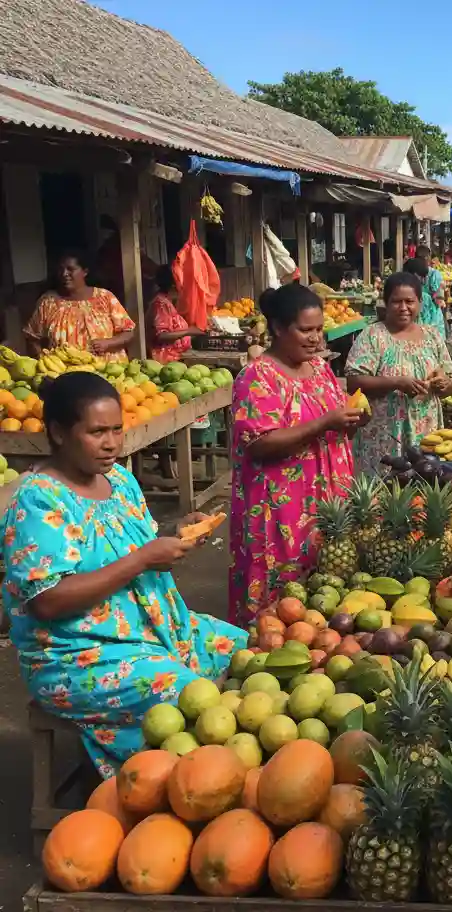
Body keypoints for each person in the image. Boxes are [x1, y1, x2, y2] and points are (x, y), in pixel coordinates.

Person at [1, 372, 246, 778]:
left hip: (153, 630)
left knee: (246, 652)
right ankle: (182, 788)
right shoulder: (38, 501)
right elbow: (46, 600)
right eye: (97, 432)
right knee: (196, 700)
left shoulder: (119, 480)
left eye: (117, 429)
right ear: (60, 433)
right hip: (76, 655)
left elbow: (138, 543)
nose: (112, 442)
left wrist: (178, 532)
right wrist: (143, 560)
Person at [231, 283, 365, 625]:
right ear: (277, 328)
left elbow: (337, 422)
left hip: (327, 499)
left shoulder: (320, 369)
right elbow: (259, 443)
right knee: (281, 599)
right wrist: (324, 423)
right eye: (305, 330)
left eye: (319, 329)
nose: (315, 339)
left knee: (325, 590)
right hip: (281, 505)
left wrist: (353, 419)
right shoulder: (257, 376)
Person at [347, 271, 452, 475]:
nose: (404, 307)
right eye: (396, 301)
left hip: (426, 434)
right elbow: (354, 382)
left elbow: (450, 381)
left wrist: (444, 384)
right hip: (384, 435)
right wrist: (396, 382)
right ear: (386, 303)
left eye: (410, 301)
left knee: (423, 490)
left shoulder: (432, 336)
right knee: (384, 494)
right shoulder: (373, 336)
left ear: (420, 303)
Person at [24, 250, 136, 359]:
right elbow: (31, 337)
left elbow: (128, 332)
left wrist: (108, 343)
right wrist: (43, 360)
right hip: (65, 373)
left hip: (109, 372)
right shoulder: (48, 303)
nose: (64, 274)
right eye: (61, 269)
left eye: (70, 269)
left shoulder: (105, 297)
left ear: (85, 271)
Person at [146, 265, 205, 363]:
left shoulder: (168, 301)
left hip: (177, 358)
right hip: (165, 361)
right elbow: (161, 336)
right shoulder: (161, 304)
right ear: (175, 286)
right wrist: (188, 331)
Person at [411, 248, 448, 339]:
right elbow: (439, 300)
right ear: (428, 258)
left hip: (418, 312)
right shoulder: (435, 274)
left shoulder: (410, 272)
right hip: (431, 314)